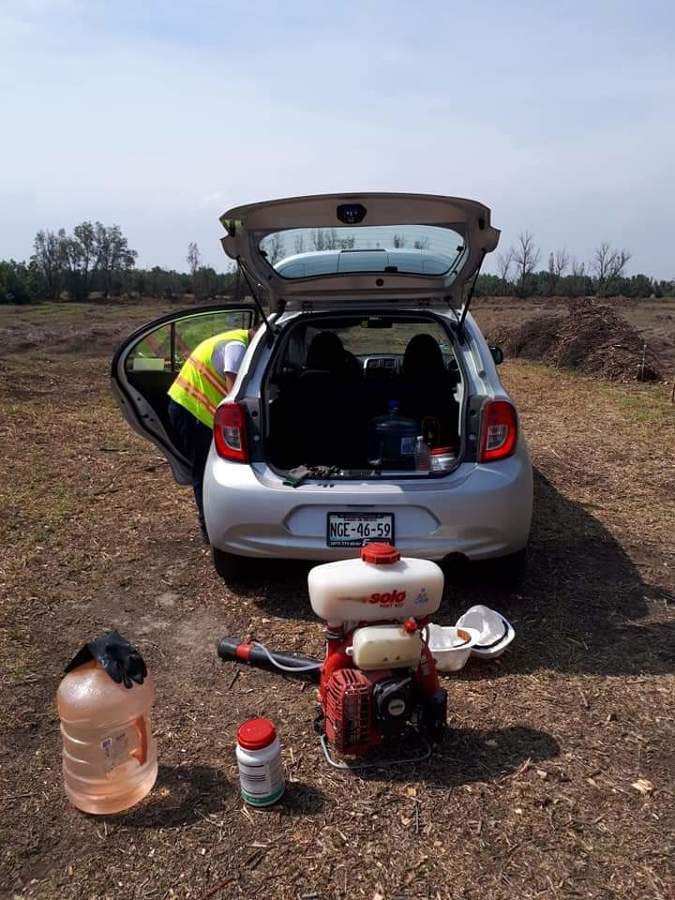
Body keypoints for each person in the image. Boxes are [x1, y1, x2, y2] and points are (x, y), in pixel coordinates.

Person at [167, 327, 256, 541]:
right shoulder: (237, 347)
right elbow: (233, 393)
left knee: (207, 469)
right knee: (204, 472)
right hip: (191, 410)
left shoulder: (235, 340)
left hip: (194, 408)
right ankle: (208, 529)